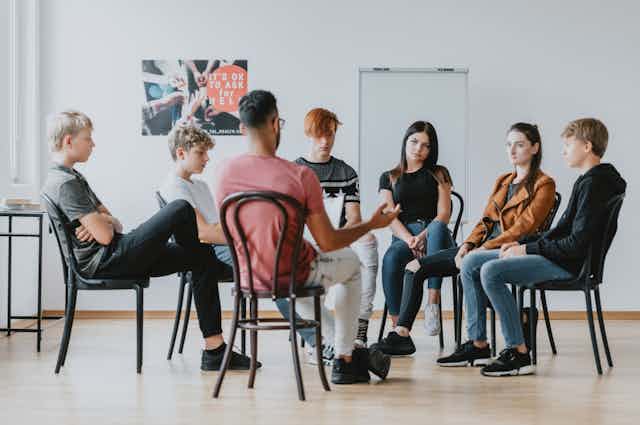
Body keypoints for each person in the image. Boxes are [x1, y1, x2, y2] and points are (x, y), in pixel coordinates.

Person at [42, 110, 254, 372]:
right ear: (68, 141)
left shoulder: (74, 177)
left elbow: (112, 222)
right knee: (179, 208)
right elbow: (107, 235)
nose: (93, 144)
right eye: (88, 138)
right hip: (107, 260)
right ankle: (215, 346)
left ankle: (215, 351)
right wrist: (101, 222)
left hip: (115, 251)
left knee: (201, 259)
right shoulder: (64, 184)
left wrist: (100, 220)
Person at [215, 90, 399, 384]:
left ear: (241, 127)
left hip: (250, 277)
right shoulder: (299, 176)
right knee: (351, 263)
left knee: (295, 283)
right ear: (276, 124)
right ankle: (345, 355)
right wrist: (372, 224)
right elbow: (327, 242)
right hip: (295, 273)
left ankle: (335, 347)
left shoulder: (223, 172)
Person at [451, 118, 625, 377]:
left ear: (587, 146)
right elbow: (561, 232)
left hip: (569, 265)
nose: (563, 151)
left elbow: (576, 244)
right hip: (561, 257)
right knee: (471, 262)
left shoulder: (595, 184)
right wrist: (521, 244)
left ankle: (519, 353)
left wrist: (528, 250)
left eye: (568, 145)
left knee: (491, 272)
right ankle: (478, 343)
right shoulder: (589, 180)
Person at [377, 123, 557, 356]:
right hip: (478, 246)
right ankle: (401, 334)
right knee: (414, 267)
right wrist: (469, 245)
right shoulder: (503, 181)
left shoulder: (544, 184)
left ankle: (478, 340)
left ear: (535, 148)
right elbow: (484, 222)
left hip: (507, 249)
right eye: (509, 145)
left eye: (519, 144)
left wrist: (480, 249)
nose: (512, 150)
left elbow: (523, 228)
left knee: (464, 265)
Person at [274, 108, 379, 355]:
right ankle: (321, 338)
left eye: (330, 135)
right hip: (303, 241)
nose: (325, 141)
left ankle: (360, 325)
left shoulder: (346, 173)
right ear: (308, 134)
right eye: (320, 135)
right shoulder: (293, 171)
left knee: (369, 241)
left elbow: (354, 219)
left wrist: (335, 238)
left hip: (336, 237)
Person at [375, 121, 455, 339]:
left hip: (434, 235)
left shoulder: (439, 173)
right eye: (414, 142)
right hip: (404, 236)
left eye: (425, 145)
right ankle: (398, 329)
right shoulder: (389, 177)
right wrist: (411, 239)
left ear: (431, 149)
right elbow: (390, 216)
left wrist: (421, 236)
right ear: (405, 141)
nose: (418, 148)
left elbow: (444, 214)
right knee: (391, 257)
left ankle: (432, 304)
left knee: (438, 227)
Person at [159, 123, 233, 267]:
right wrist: (244, 239)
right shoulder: (174, 186)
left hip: (219, 243)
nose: (207, 158)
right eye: (200, 152)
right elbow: (203, 233)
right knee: (262, 256)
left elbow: (216, 223)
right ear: (181, 153)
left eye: (206, 153)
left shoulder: (201, 185)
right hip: (207, 250)